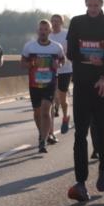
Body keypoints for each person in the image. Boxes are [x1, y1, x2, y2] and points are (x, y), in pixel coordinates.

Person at [66, 0, 104, 202]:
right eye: (89, 5)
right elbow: (70, 53)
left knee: (99, 129)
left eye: (96, 5)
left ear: (102, 4)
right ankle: (80, 183)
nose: (92, 9)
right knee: (80, 133)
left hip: (102, 85)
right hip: (81, 84)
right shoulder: (77, 23)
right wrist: (87, 56)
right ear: (85, 3)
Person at [21, 20, 65, 154]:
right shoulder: (29, 46)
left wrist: (59, 65)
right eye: (41, 29)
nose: (43, 32)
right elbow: (23, 62)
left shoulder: (56, 47)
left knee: (46, 111)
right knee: (37, 113)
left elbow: (62, 60)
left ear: (50, 31)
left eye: (46, 29)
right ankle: (42, 133)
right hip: (34, 84)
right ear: (37, 31)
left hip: (50, 83)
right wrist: (29, 64)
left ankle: (43, 141)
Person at [49, 14, 72, 133]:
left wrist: (62, 61)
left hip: (65, 70)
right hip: (50, 71)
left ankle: (66, 117)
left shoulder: (67, 34)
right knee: (51, 100)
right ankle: (50, 131)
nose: (55, 23)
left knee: (62, 98)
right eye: (53, 21)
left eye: (57, 21)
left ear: (62, 23)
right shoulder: (48, 35)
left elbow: (71, 51)